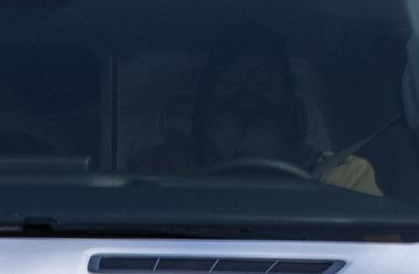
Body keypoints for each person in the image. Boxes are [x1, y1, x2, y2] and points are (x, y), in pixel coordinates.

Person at [159, 28, 381, 195]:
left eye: (265, 81)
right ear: (206, 98)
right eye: (233, 79)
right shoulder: (159, 172)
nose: (248, 90)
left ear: (290, 102)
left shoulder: (343, 175)